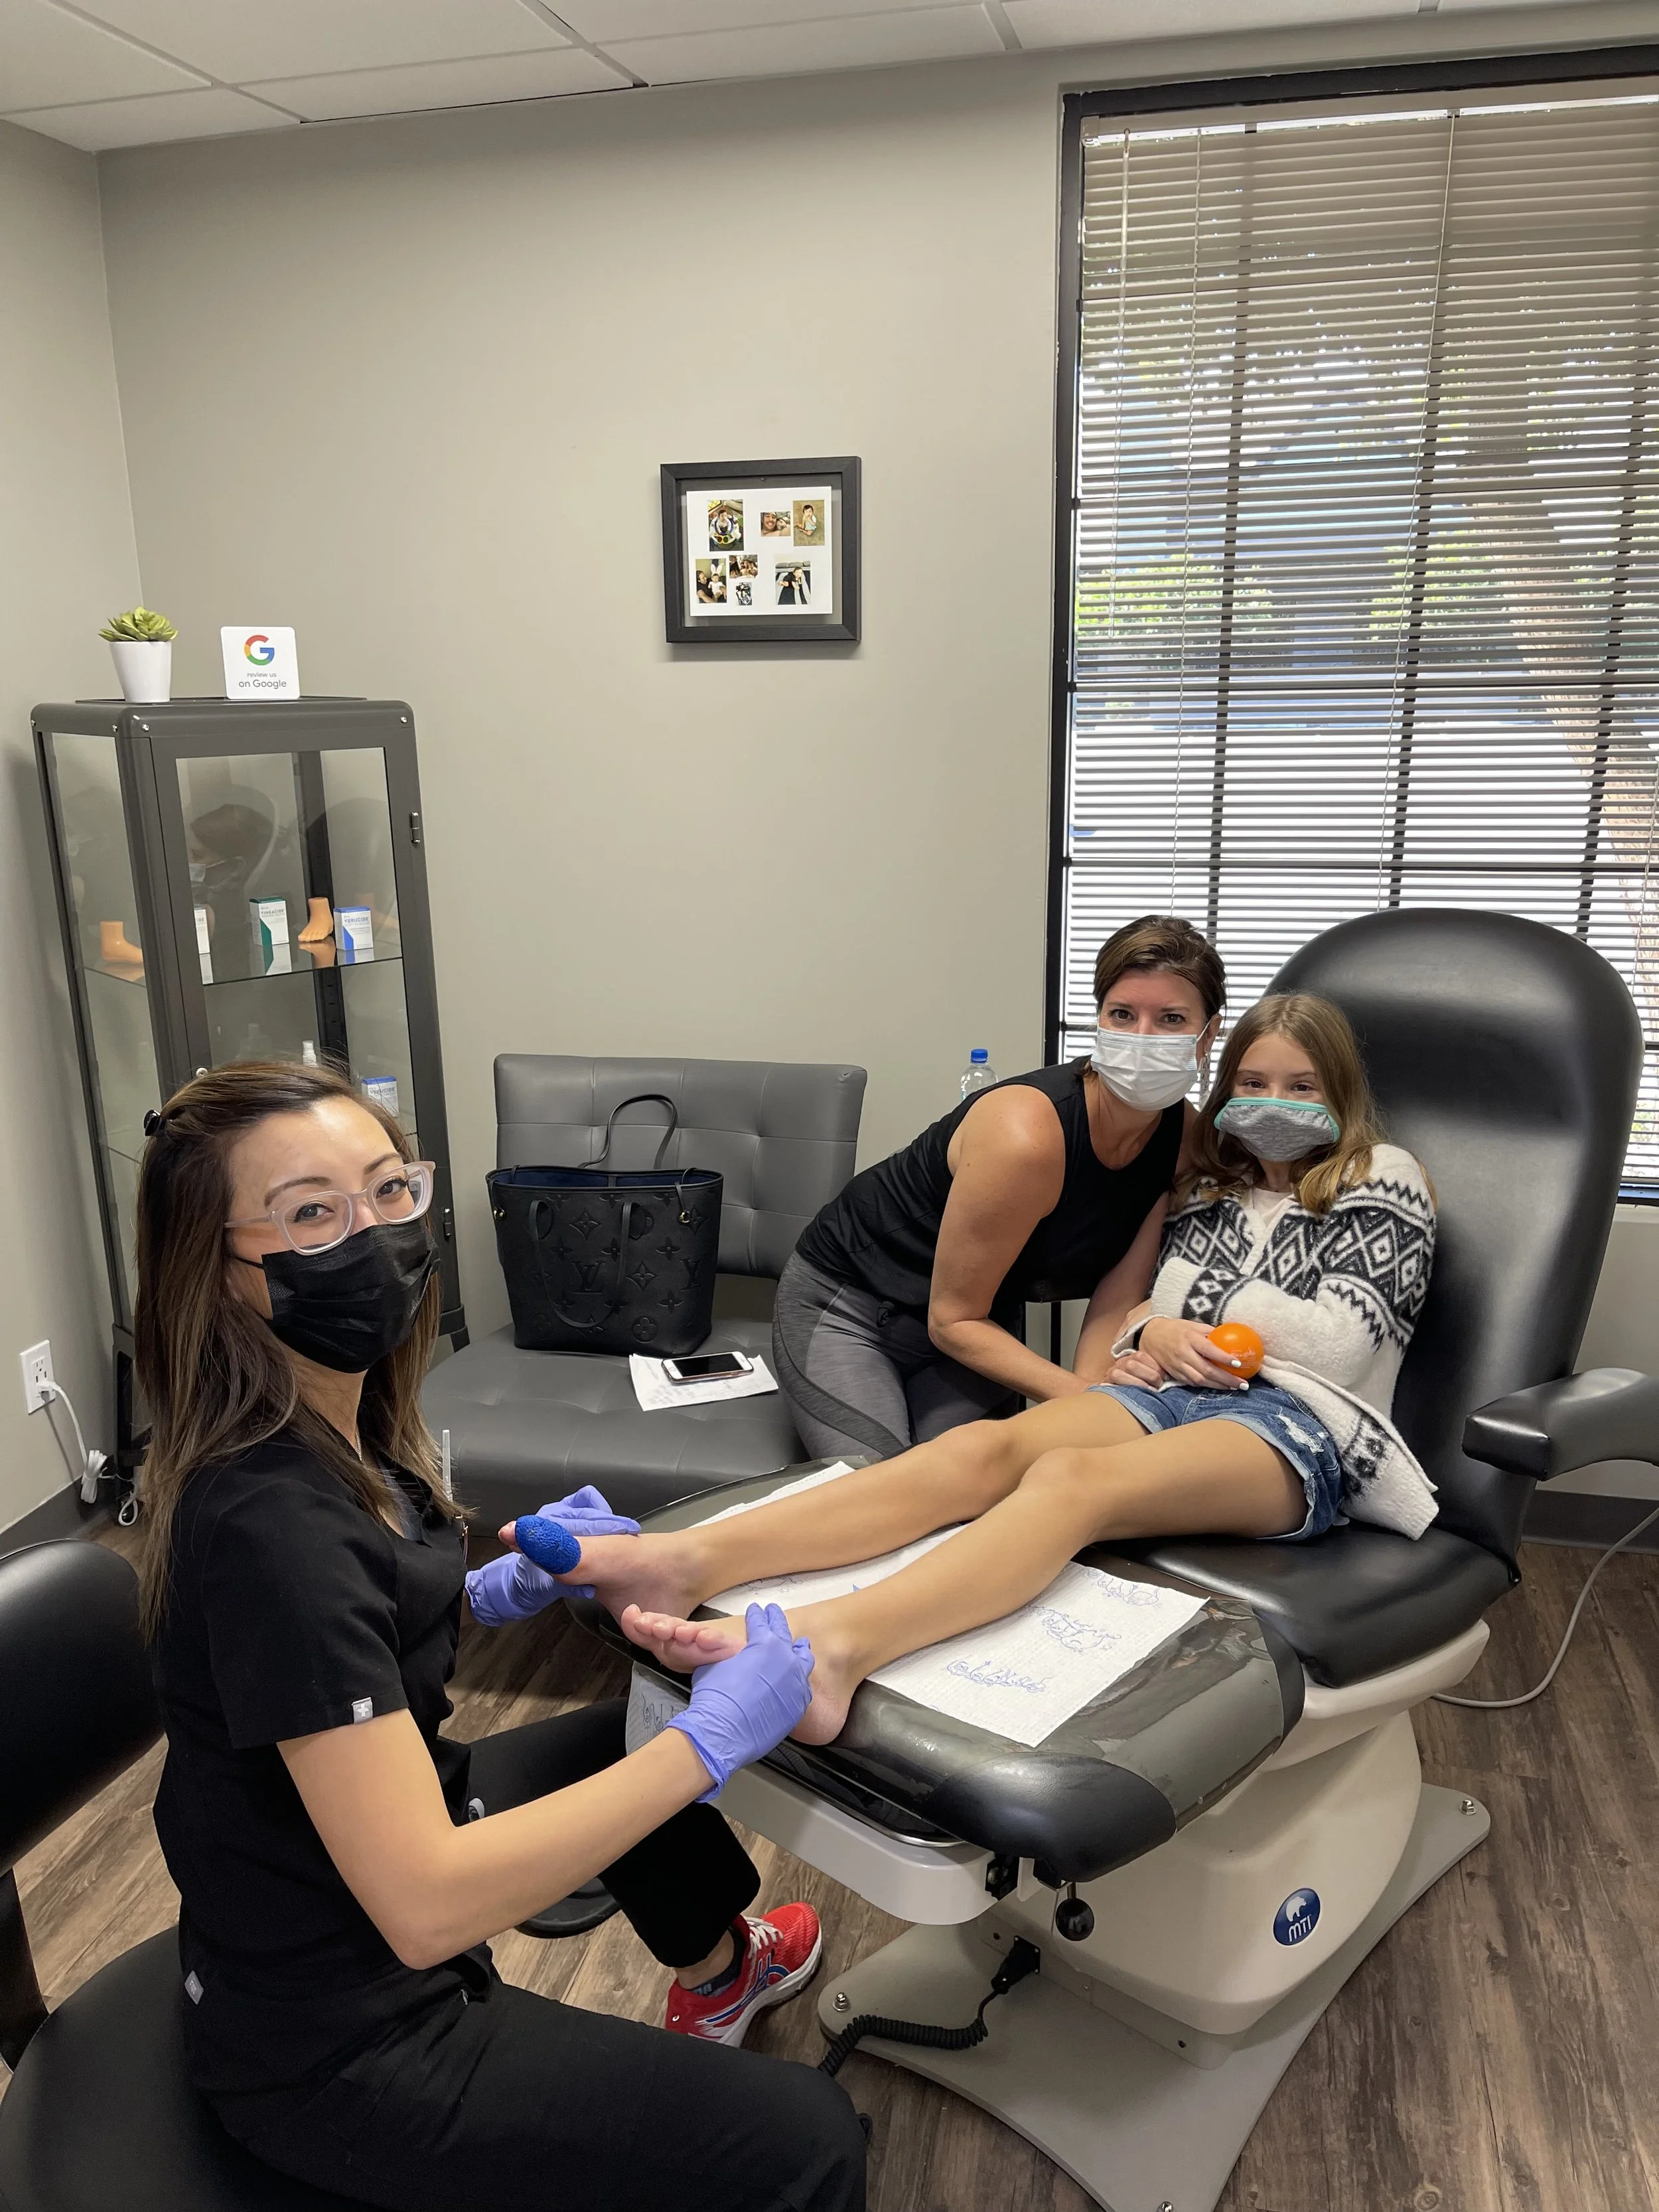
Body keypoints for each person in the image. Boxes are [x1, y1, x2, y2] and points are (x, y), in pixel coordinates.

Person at [135, 1061, 865, 2212]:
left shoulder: (340, 1417)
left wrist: (482, 1592)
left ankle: (723, 1976)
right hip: (339, 2041)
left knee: (620, 1735)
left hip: (329, 1882)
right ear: (221, 1277)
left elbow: (328, 1651)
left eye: (387, 1190)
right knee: (811, 2137)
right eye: (312, 1213)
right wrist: (711, 1745)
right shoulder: (271, 1523)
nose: (372, 1236)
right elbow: (425, 1903)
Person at [541, 993, 1439, 1746]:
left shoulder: (1382, 1177)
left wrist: (1175, 1323)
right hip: (1172, 1395)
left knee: (1067, 1481)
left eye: (1299, 1085)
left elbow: (1335, 1346)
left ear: (1339, 1093)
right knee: (977, 1453)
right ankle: (682, 1562)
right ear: (1226, 1083)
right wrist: (1160, 1331)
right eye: (1253, 1082)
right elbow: (1147, 1307)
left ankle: (835, 1650)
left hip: (1296, 1429)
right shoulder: (1208, 1184)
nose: (1272, 1099)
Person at [773, 915, 1226, 1461]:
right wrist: (1085, 1396)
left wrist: (1096, 1409)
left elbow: (1116, 1293)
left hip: (980, 1327)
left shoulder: (1186, 1143)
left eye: (1172, 1019)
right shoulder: (1026, 1134)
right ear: (1099, 1020)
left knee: (982, 1479)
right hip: (851, 1306)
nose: (1142, 1038)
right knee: (879, 1490)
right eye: (1122, 1014)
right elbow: (952, 1317)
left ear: (1208, 1036)